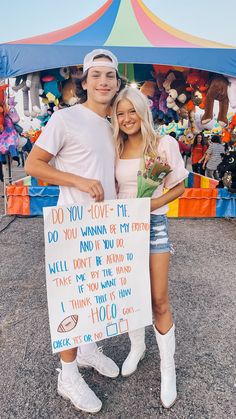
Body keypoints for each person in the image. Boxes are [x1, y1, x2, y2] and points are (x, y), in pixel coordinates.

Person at [25, 49, 125, 414]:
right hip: (73, 225)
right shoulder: (65, 119)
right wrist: (79, 181)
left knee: (97, 293)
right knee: (72, 300)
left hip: (106, 223)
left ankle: (87, 351)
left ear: (117, 83)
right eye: (95, 75)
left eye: (109, 76)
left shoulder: (115, 122)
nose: (103, 82)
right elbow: (36, 164)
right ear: (84, 82)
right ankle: (67, 375)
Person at [112, 87, 189, 409]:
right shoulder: (113, 146)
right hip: (121, 227)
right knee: (130, 295)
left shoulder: (163, 144)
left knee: (158, 298)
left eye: (132, 111)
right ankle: (137, 347)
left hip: (154, 225)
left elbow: (180, 186)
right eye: (120, 113)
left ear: (143, 111)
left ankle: (167, 370)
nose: (127, 118)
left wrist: (152, 203)